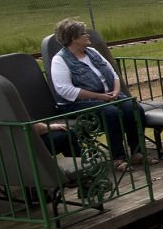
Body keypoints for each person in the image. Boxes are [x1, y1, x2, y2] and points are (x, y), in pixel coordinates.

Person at [49, 18, 145, 164]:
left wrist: (116, 91)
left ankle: (137, 153)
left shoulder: (92, 52)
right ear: (73, 39)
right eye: (83, 34)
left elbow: (113, 74)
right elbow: (65, 90)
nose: (87, 35)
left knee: (134, 108)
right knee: (111, 113)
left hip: (107, 97)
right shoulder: (60, 60)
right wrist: (99, 97)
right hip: (78, 104)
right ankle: (118, 158)